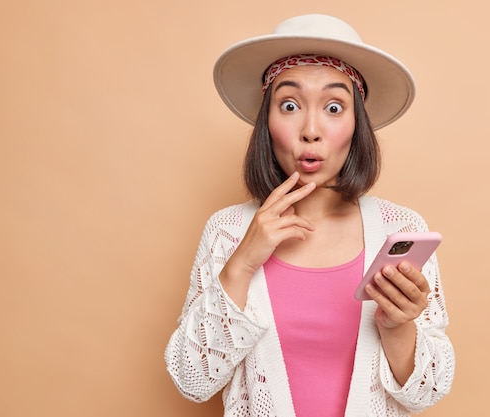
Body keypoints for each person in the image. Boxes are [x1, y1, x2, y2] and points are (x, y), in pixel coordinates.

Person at [165, 13, 455, 417]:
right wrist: (242, 264)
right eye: (289, 105)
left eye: (334, 107)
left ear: (357, 125)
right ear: (267, 122)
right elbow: (191, 380)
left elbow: (426, 394)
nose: (311, 129)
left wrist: (398, 327)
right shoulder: (229, 231)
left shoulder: (400, 229)